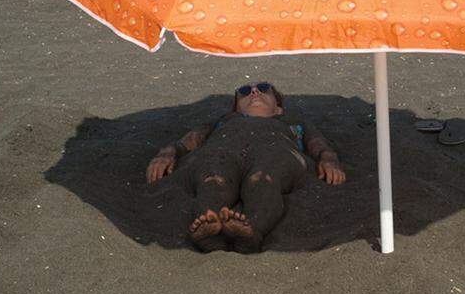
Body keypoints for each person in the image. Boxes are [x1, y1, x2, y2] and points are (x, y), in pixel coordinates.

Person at [145, 83, 345, 253]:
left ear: (279, 108)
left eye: (264, 89)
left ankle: (253, 231)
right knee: (213, 178)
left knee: (264, 178)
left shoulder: (292, 122)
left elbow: (317, 143)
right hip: (221, 150)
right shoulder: (223, 120)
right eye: (245, 90)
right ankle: (208, 230)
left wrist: (328, 158)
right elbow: (192, 139)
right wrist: (168, 152)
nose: (254, 92)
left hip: (277, 150)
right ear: (235, 108)